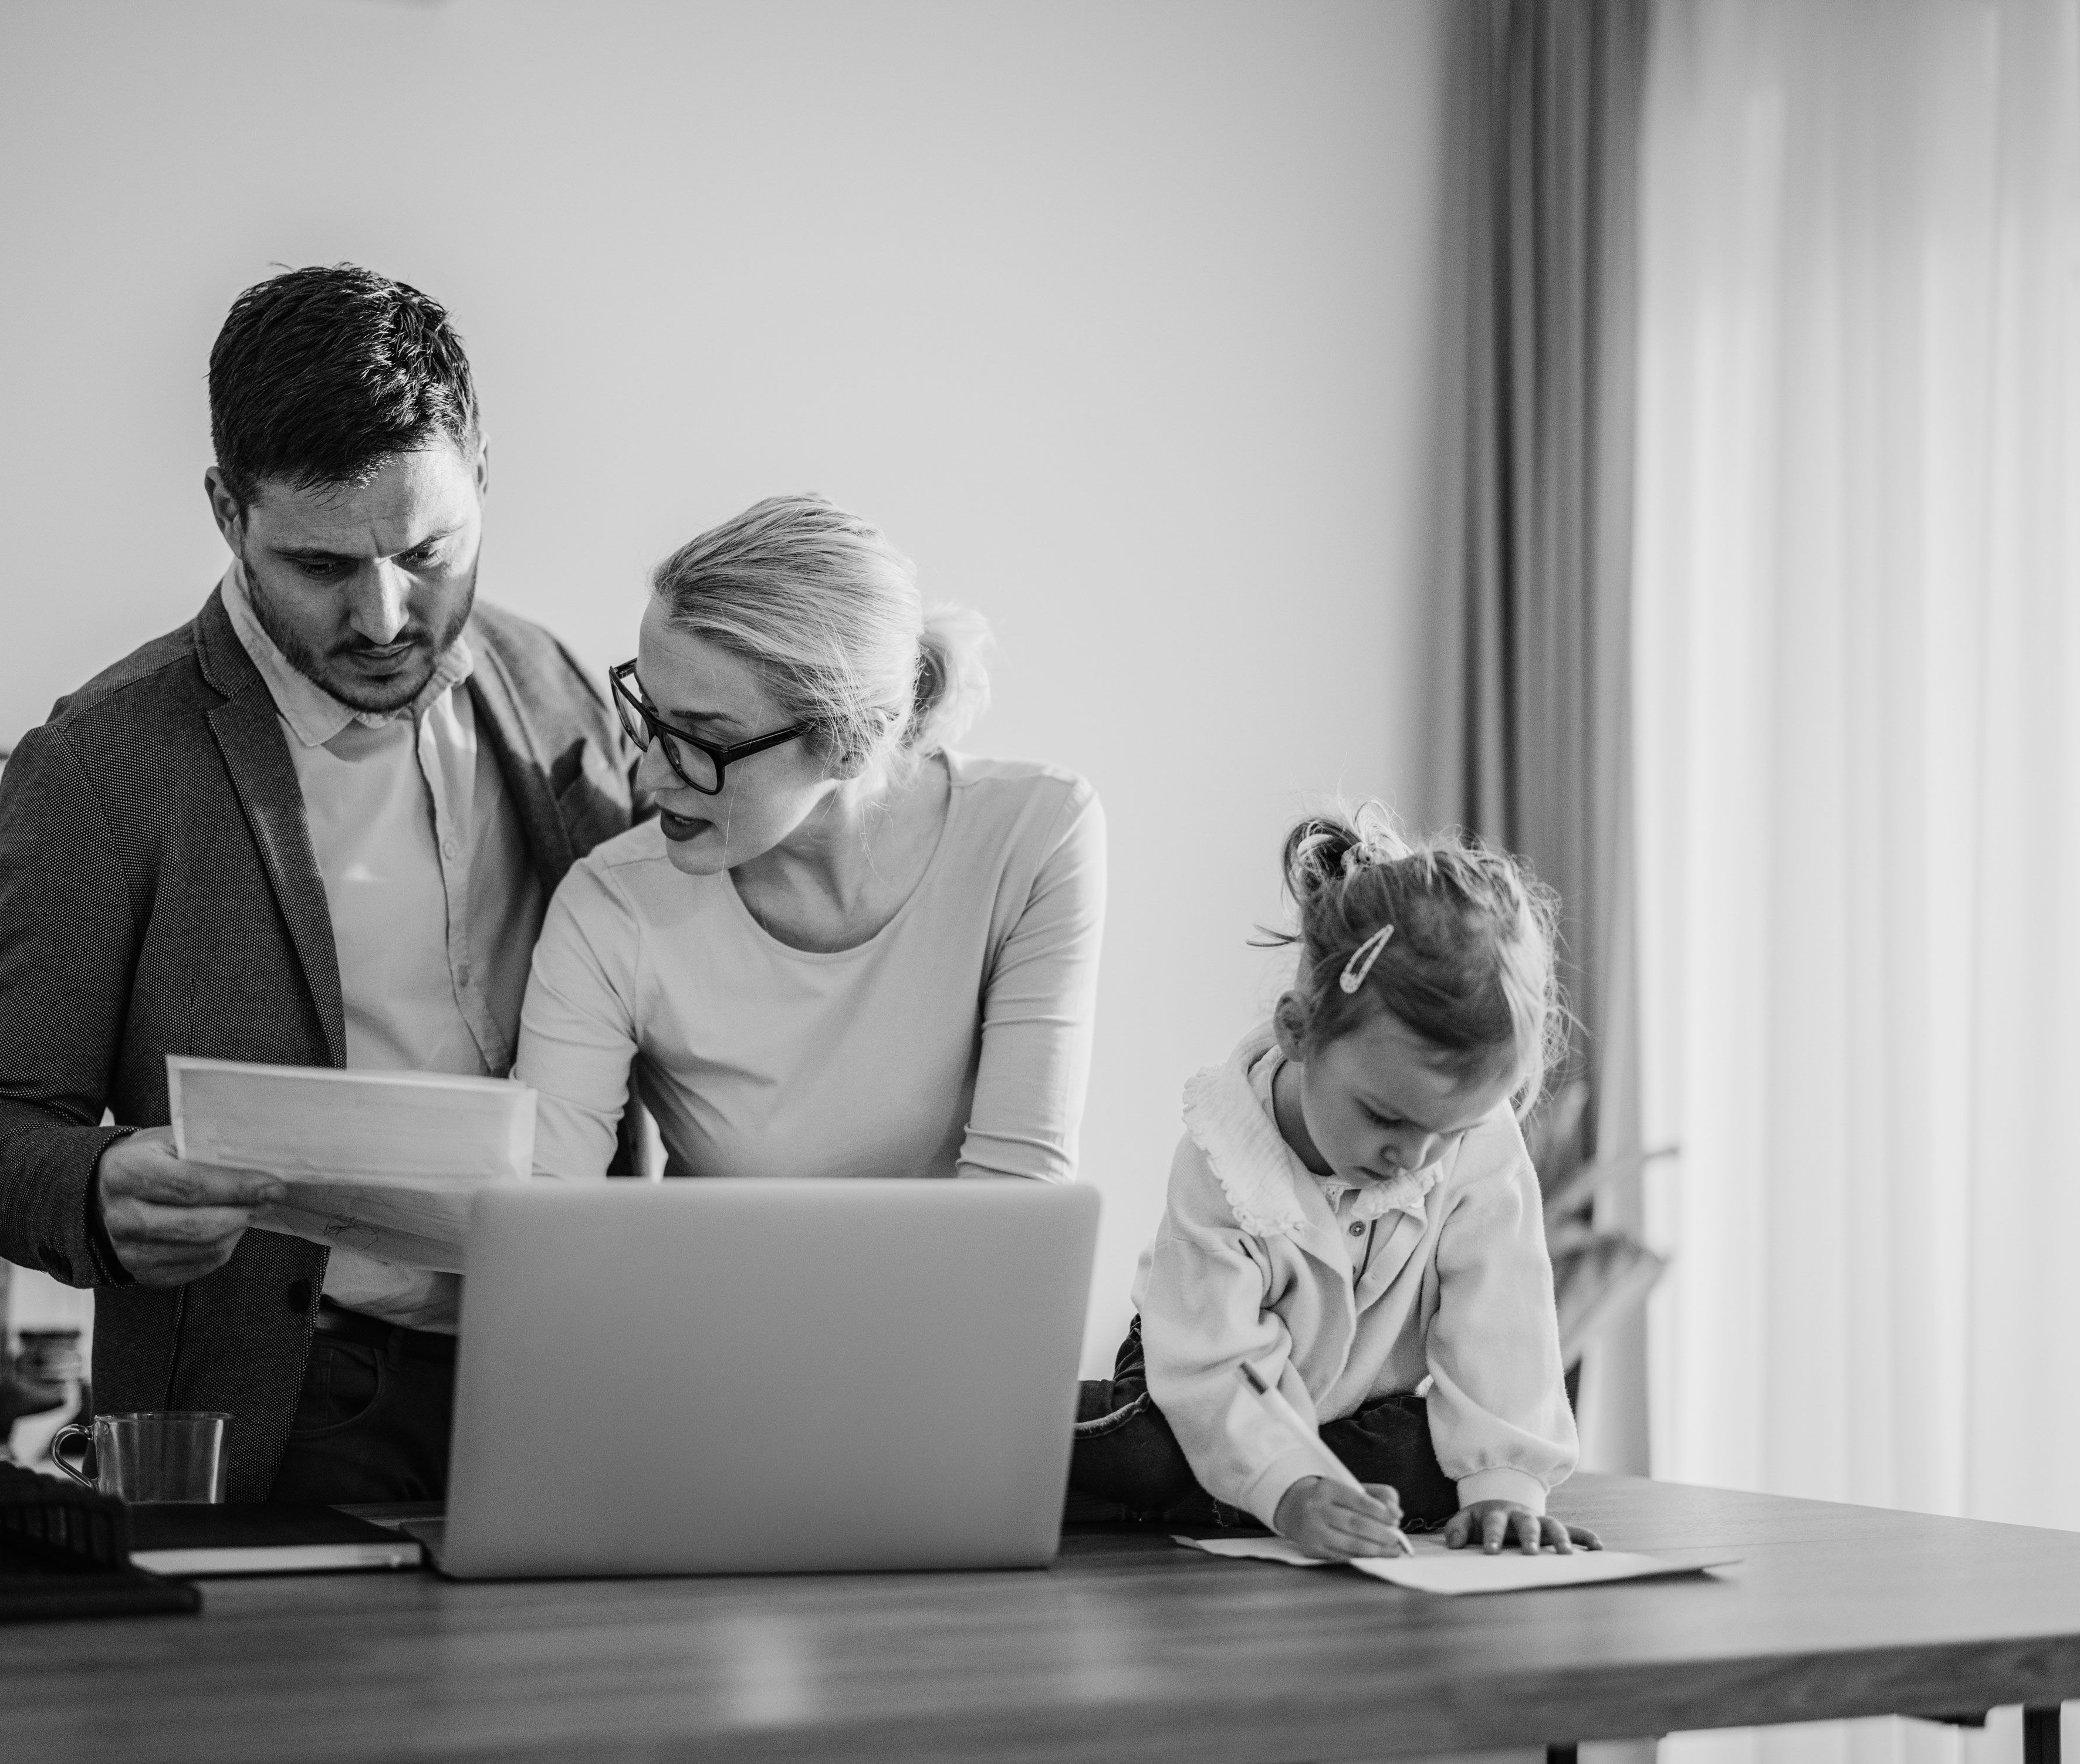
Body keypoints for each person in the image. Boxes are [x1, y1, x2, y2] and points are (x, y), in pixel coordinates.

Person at [0, 265, 637, 1503]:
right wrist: (96, 1186)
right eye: (320, 564)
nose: (384, 614)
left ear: (483, 473)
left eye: (429, 549)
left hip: (585, 1369)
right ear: (224, 509)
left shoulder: (560, 685)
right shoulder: (104, 761)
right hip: (291, 1402)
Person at [512, 494, 1104, 1189]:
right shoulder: (609, 908)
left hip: (952, 1300)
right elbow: (545, 1225)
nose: (647, 777)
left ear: (853, 742)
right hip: (700, 1300)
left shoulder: (1034, 836)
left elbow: (1016, 1213)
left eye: (703, 740)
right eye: (648, 714)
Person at [1070, 806, 1594, 1557]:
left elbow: (1501, 1320)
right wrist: (1290, 1485)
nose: (1414, 1158)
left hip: (1348, 1403)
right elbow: (1212, 1366)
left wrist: (1506, 1488)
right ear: (1298, 1032)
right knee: (1151, 1453)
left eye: (1448, 1132)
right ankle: (1061, 1455)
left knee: (1450, 1464)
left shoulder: (1474, 1140)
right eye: (1385, 1119)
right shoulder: (1222, 1156)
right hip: (1199, 1366)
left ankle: (1255, 1490)